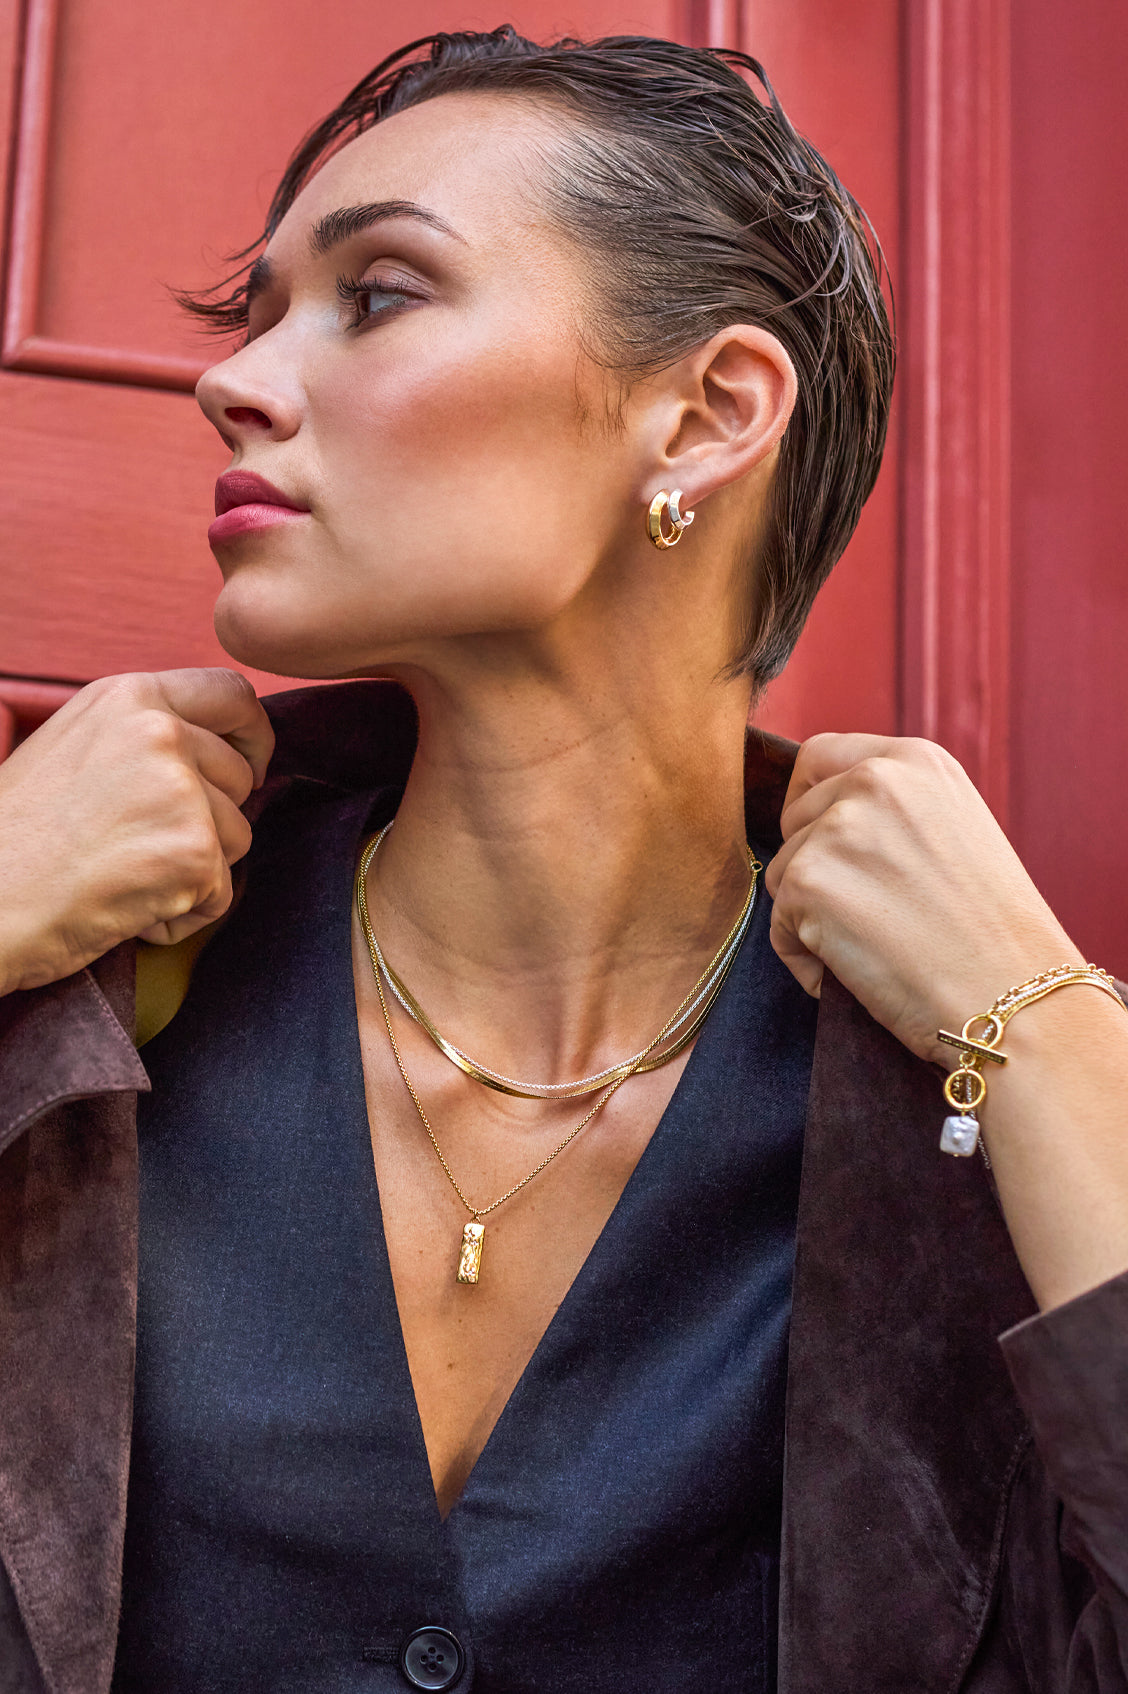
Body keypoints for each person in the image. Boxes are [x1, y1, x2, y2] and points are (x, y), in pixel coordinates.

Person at [0, 27, 1126, 1694]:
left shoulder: (973, 1109)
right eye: (255, 316)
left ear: (707, 414)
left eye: (378, 293)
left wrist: (1049, 1032)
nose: (234, 380)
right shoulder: (80, 993)